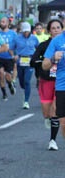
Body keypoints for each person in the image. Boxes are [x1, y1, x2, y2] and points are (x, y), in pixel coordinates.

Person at [34, 18, 63, 149]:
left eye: (58, 27)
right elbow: (40, 63)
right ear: (49, 31)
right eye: (53, 28)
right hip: (51, 82)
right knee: (49, 113)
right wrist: (52, 59)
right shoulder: (50, 44)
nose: (56, 30)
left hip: (58, 83)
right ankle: (52, 122)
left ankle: (52, 140)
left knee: (54, 111)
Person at [13, 22, 37, 110]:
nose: (26, 33)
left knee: (27, 81)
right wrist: (14, 55)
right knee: (22, 81)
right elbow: (11, 49)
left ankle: (26, 101)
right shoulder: (17, 38)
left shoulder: (34, 38)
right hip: (20, 60)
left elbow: (38, 48)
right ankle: (25, 90)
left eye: (27, 31)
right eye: (24, 31)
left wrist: (36, 57)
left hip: (30, 60)